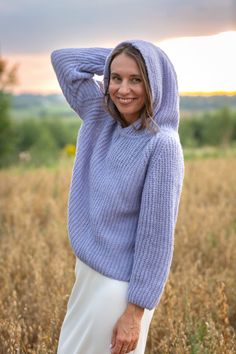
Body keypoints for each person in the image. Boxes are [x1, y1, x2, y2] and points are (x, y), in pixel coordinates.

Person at [51, 39, 184, 354]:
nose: (124, 89)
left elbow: (156, 239)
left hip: (119, 290)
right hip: (87, 277)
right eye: (116, 78)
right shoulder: (101, 117)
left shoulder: (162, 145)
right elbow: (63, 59)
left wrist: (135, 312)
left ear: (154, 82)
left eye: (137, 79)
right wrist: (117, 57)